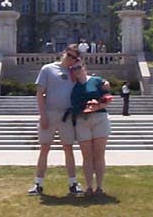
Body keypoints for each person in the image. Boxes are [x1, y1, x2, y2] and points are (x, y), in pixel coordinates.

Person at [28, 44, 83, 196]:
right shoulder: (48, 69)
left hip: (67, 116)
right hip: (50, 113)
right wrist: (43, 115)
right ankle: (38, 183)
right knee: (44, 148)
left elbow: (84, 85)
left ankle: (73, 183)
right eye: (69, 55)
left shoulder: (74, 73)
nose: (70, 59)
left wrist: (79, 69)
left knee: (68, 148)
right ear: (64, 53)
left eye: (74, 57)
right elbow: (40, 93)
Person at [70, 59, 112, 196]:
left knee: (99, 155)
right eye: (74, 69)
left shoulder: (96, 80)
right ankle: (89, 187)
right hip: (82, 120)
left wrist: (97, 105)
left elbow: (107, 97)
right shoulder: (72, 85)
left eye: (78, 67)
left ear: (84, 67)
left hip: (99, 118)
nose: (77, 70)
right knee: (87, 156)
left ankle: (99, 187)